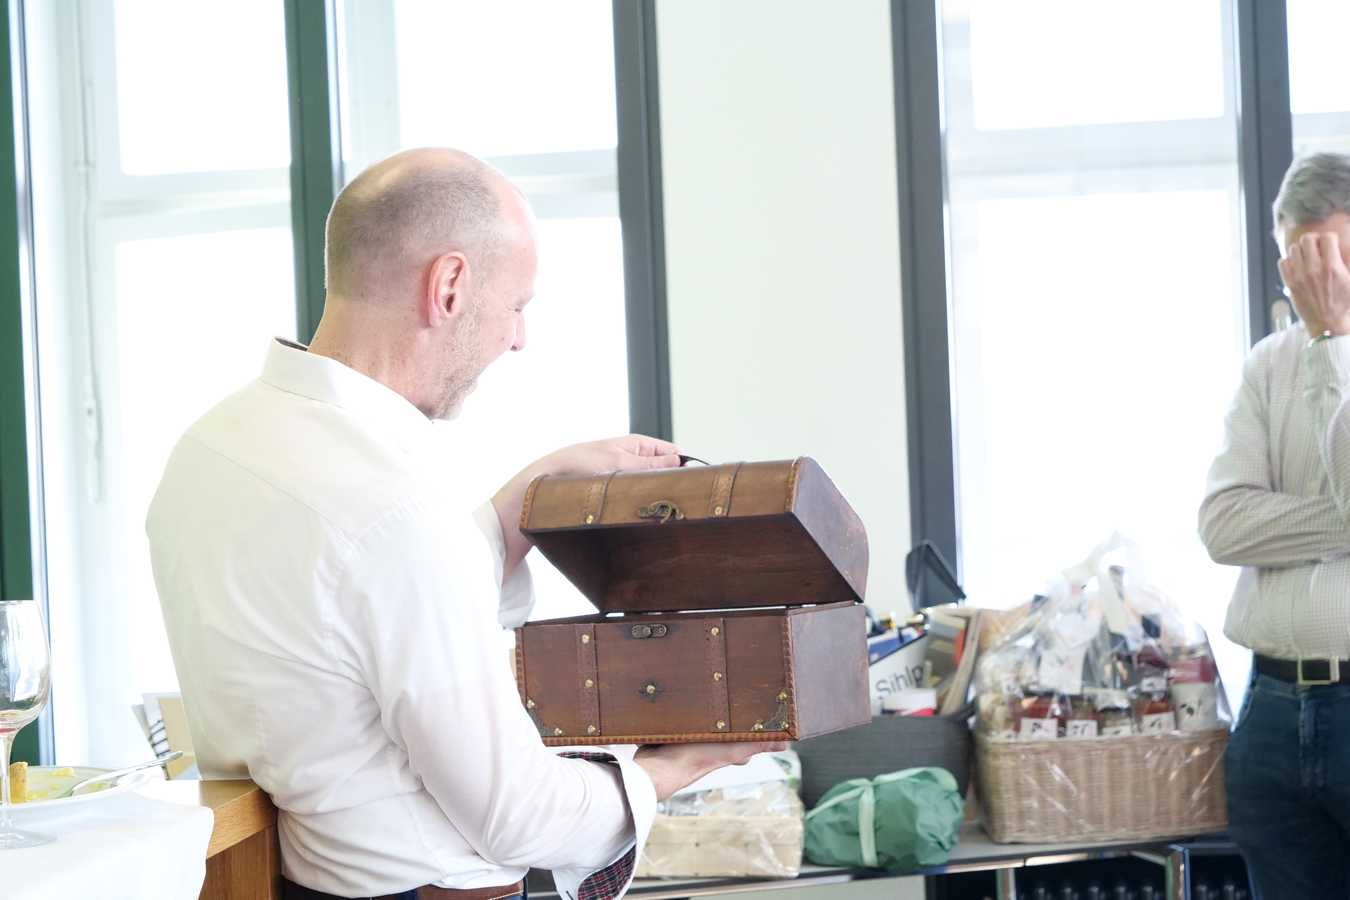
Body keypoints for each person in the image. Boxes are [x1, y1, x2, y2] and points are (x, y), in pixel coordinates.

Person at [146, 148, 777, 900]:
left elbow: (347, 615)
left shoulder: (209, 448)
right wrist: (678, 766)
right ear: (449, 286)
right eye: (517, 306)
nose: (519, 338)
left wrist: (522, 504)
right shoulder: (395, 510)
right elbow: (521, 818)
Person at [1200, 151, 1350, 898]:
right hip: (1271, 710)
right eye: (1302, 258)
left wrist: (1335, 343)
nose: (1318, 277)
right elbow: (1224, 526)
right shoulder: (1267, 364)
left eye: (1335, 255)